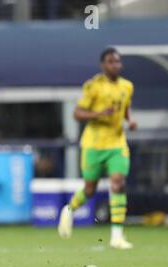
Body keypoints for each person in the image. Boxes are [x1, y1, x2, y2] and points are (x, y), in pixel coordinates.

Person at [58, 47, 137, 249]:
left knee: (118, 182)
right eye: (111, 62)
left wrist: (130, 120)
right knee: (90, 188)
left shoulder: (127, 86)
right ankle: (69, 209)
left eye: (117, 62)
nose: (115, 65)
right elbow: (77, 114)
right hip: (93, 144)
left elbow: (125, 108)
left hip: (117, 143)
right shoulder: (93, 86)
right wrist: (99, 114)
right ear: (103, 65)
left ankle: (117, 236)